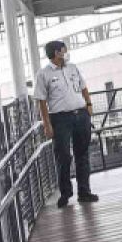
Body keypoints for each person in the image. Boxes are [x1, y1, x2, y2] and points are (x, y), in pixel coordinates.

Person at [33, 40, 98, 208]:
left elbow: (84, 87)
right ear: (56, 53)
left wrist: (89, 105)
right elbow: (41, 101)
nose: (66, 52)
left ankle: (84, 192)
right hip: (60, 119)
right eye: (64, 50)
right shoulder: (43, 74)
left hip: (81, 115)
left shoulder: (73, 67)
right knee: (63, 156)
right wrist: (47, 125)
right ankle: (65, 193)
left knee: (82, 154)